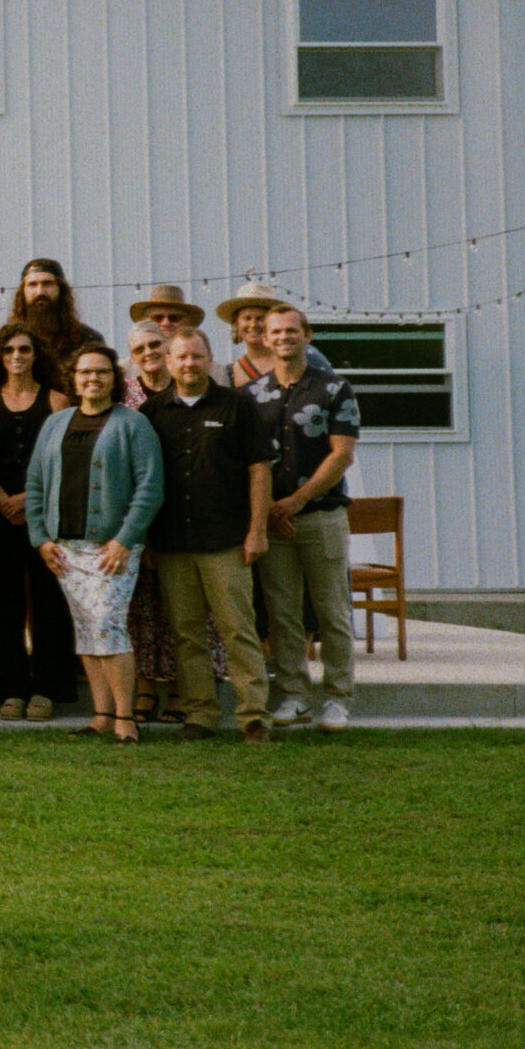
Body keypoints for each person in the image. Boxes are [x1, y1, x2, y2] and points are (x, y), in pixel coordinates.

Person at [26, 344, 166, 744]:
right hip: (65, 549)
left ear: (115, 379)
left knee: (109, 625)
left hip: (111, 549)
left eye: (102, 372)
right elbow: (35, 484)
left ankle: (126, 718)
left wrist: (125, 539)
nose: (93, 379)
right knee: (87, 629)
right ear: (74, 379)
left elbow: (150, 487)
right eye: (85, 372)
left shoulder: (132, 424)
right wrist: (40, 538)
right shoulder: (56, 423)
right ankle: (101, 715)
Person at [144, 329, 275, 742]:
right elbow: (143, 480)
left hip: (226, 541)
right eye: (181, 358)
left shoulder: (237, 405)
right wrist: (145, 539)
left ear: (210, 359)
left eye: (197, 357)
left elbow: (259, 470)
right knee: (186, 633)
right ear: (168, 362)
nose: (189, 364)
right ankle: (200, 714)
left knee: (238, 629)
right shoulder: (151, 412)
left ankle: (253, 715)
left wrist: (257, 531)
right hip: (172, 543)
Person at [248, 305, 362, 732]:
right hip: (272, 521)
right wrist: (264, 513)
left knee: (332, 611)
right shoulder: (252, 395)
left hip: (320, 515)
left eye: (291, 330)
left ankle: (337, 698)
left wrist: (298, 499)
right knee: (282, 613)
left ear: (307, 335)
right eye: (274, 331)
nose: (282, 337)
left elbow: (342, 453)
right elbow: (250, 461)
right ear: (264, 337)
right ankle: (294, 695)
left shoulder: (334, 389)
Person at [0, 322, 75, 720]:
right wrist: (1, 498)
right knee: (2, 603)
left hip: (46, 513)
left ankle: (47, 688)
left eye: (25, 350)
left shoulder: (56, 401)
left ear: (37, 355)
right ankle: (10, 688)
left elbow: (64, 462)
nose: (17, 357)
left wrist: (30, 499)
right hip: (1, 514)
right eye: (10, 350)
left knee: (50, 602)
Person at [121, 320, 179, 722]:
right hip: (135, 510)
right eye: (139, 348)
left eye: (155, 345)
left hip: (182, 509)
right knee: (138, 608)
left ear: (169, 346)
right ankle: (143, 691)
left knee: (182, 607)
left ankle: (180, 690)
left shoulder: (187, 387)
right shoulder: (125, 396)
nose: (148, 353)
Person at [217, 282, 334, 384]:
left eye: (260, 318)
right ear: (236, 324)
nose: (253, 325)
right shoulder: (230, 373)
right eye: (247, 318)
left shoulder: (306, 355)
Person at [10, 258, 105, 367]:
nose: (40, 292)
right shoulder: (8, 341)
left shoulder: (88, 339)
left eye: (47, 284)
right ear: (23, 292)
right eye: (32, 285)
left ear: (61, 290)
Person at [129, 283, 206, 335]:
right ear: (145, 321)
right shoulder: (134, 359)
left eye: (174, 318)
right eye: (157, 318)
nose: (166, 323)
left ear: (187, 322)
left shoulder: (199, 357)